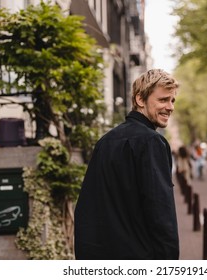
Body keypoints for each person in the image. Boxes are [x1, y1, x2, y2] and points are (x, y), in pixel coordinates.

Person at [74, 69, 180, 259]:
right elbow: (160, 212)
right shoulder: (152, 142)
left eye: (172, 101)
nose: (170, 107)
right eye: (163, 100)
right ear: (140, 100)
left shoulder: (105, 142)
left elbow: (87, 208)